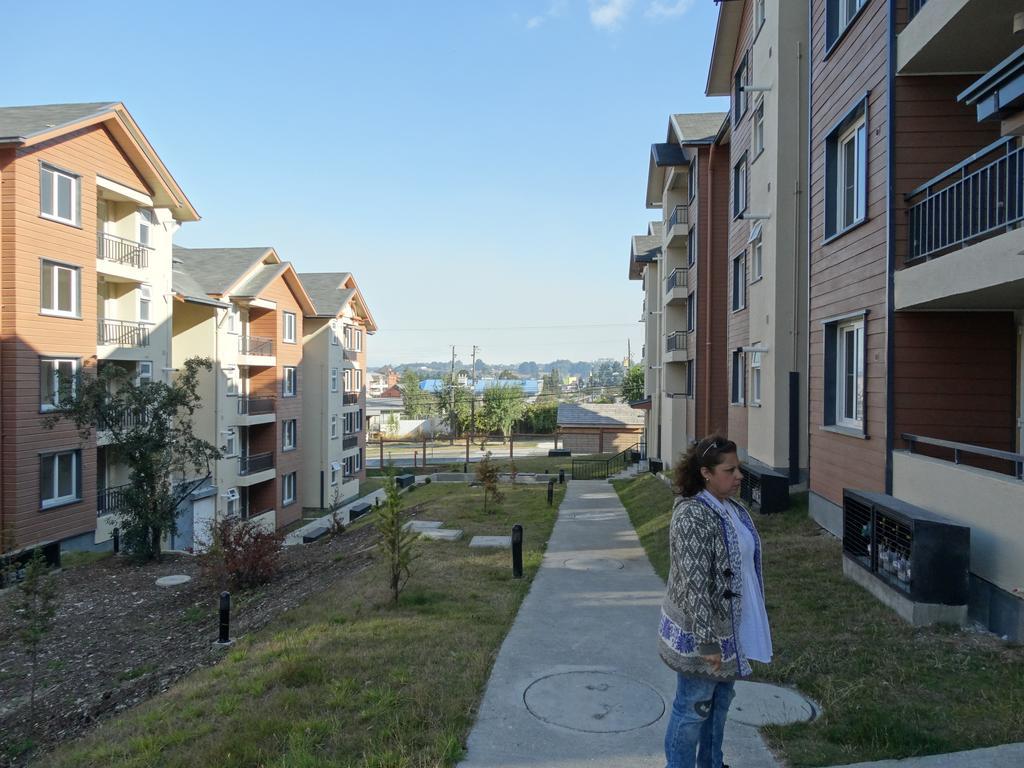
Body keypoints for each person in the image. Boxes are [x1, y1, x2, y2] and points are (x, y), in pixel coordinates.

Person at [658, 435, 773, 768]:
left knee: (720, 702)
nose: (739, 476)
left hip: (729, 630)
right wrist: (707, 642)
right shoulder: (692, 516)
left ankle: (711, 763)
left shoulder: (728, 508)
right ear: (706, 473)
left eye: (739, 468)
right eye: (731, 470)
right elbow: (696, 585)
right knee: (693, 707)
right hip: (704, 637)